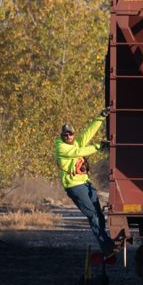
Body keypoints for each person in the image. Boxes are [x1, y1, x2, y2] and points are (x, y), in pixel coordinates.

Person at [55, 109, 115, 258]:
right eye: (65, 134)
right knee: (92, 215)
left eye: (70, 134)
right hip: (74, 187)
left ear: (73, 135)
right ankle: (106, 246)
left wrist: (101, 117)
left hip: (85, 183)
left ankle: (106, 241)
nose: (68, 136)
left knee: (99, 214)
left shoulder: (76, 143)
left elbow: (89, 132)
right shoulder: (61, 147)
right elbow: (77, 153)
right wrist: (98, 147)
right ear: (62, 136)